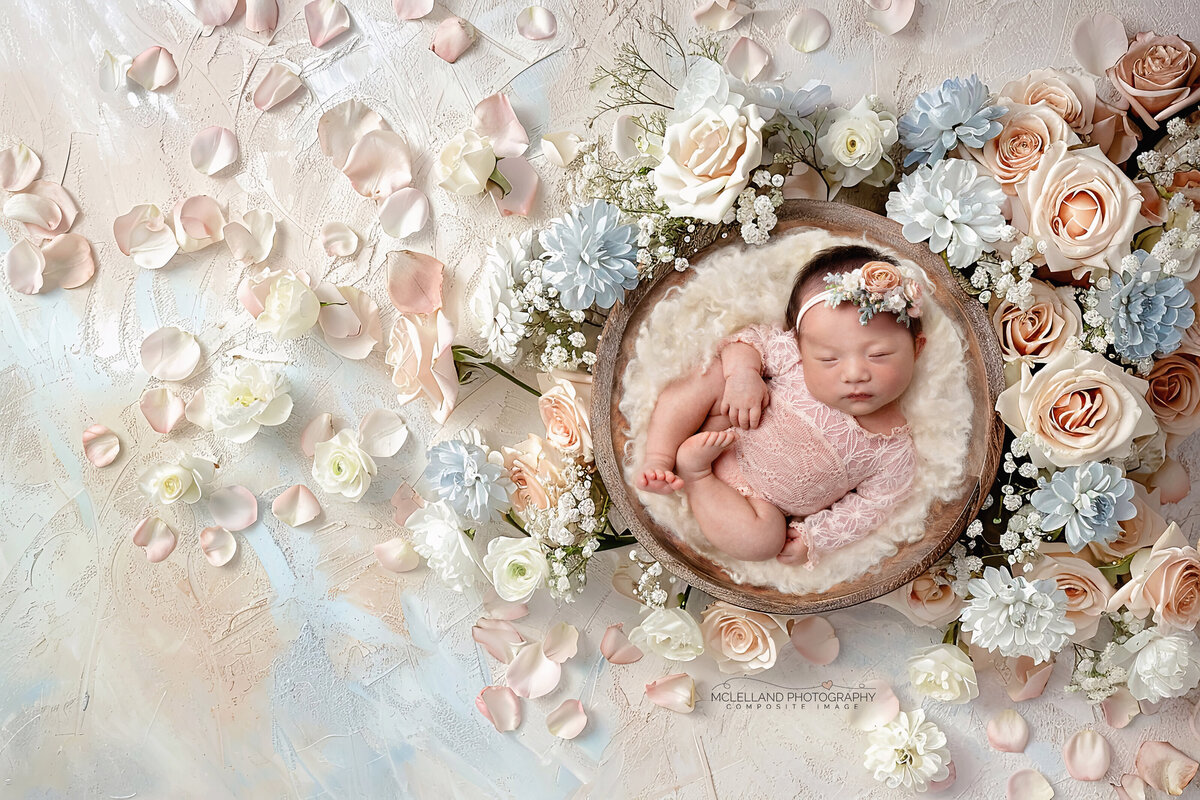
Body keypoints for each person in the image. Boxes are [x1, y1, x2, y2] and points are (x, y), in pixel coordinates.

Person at [635, 245, 927, 569]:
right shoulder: (794, 360)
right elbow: (750, 339)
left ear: (916, 349)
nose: (855, 374)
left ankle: (694, 475)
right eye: (829, 359)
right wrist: (743, 373)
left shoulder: (895, 451)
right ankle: (659, 457)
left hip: (759, 506)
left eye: (879, 355)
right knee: (710, 376)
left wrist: (814, 537)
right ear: (800, 345)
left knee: (764, 542)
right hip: (724, 421)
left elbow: (871, 507)